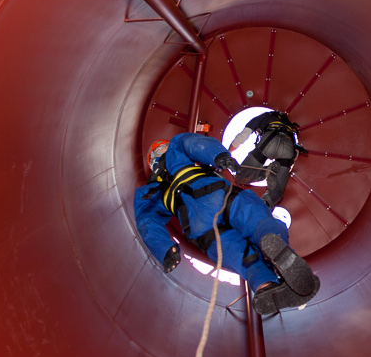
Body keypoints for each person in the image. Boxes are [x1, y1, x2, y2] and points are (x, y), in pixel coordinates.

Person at [134, 133, 319, 315]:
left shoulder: (149, 191)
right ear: (165, 148)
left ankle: (264, 286)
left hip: (198, 227)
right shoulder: (175, 148)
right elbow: (194, 143)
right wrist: (219, 156)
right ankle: (275, 244)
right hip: (219, 196)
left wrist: (164, 250)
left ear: (152, 164)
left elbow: (146, 220)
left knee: (243, 259)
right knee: (257, 221)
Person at [230, 109, 305, 206]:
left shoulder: (261, 118)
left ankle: (266, 172)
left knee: (240, 178)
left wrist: (227, 152)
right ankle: (263, 208)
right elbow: (295, 154)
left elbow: (242, 137)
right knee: (276, 192)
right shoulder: (288, 125)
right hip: (288, 147)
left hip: (269, 141)